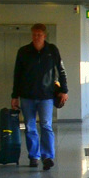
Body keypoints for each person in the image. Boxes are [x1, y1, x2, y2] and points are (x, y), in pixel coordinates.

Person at [11, 23, 68, 170]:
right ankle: (34, 156)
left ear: (44, 35)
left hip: (46, 96)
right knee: (30, 127)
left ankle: (47, 156)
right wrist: (14, 96)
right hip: (27, 96)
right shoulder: (23, 51)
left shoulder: (52, 50)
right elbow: (17, 75)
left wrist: (64, 90)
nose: (36, 37)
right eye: (34, 34)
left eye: (39, 35)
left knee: (46, 126)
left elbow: (61, 71)